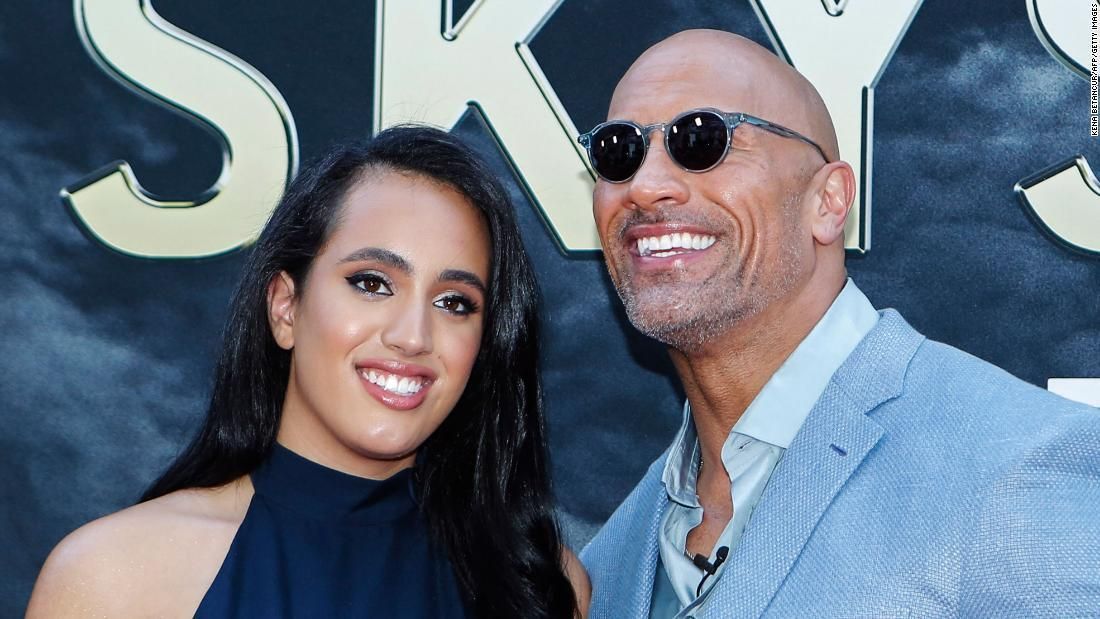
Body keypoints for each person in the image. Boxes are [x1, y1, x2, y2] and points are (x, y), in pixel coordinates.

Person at [578, 29, 1100, 618]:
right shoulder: (615, 554)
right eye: (617, 153)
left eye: (702, 140)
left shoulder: (1027, 462)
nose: (645, 187)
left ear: (828, 201)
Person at [27, 125, 590, 618]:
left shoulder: (540, 586)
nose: (412, 336)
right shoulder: (115, 578)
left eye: (455, 302)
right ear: (285, 308)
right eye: (372, 283)